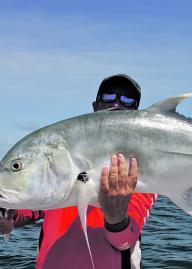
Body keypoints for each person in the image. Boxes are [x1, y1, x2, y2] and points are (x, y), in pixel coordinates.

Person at [0, 74, 157, 269]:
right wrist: (8, 215)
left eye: (127, 100)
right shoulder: (64, 156)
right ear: (95, 105)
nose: (117, 104)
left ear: (135, 113)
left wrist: (116, 217)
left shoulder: (140, 166)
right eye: (109, 97)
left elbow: (124, 240)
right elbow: (32, 205)